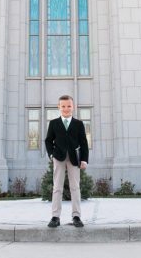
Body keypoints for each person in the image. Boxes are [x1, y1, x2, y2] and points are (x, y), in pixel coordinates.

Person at [44, 94, 89, 228]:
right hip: (58, 157)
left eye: (69, 106)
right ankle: (55, 217)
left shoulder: (79, 124)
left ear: (73, 107)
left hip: (74, 159)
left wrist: (84, 159)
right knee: (57, 187)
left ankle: (76, 216)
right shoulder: (53, 123)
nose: (66, 108)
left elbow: (84, 143)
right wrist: (51, 155)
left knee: (75, 187)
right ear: (59, 107)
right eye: (63, 106)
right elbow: (48, 141)